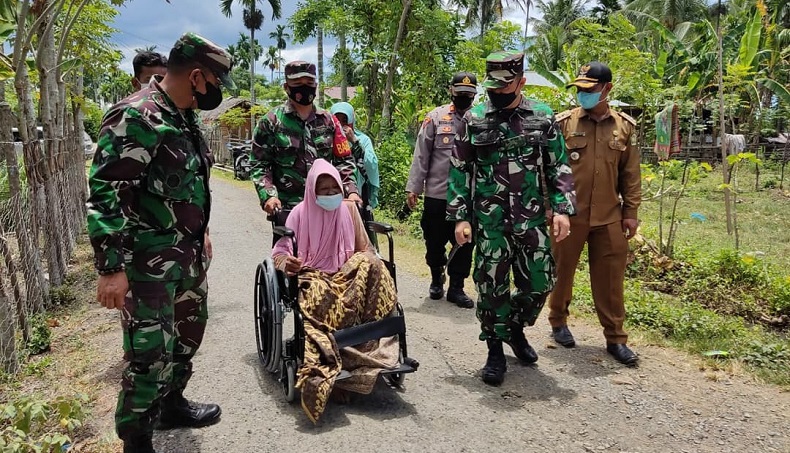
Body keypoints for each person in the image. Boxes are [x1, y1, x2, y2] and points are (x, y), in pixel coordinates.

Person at [86, 32, 234, 453]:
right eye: (215, 84)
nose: (215, 94)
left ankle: (172, 404)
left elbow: (189, 183)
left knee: (187, 337)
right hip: (146, 263)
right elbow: (107, 193)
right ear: (197, 76)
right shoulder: (137, 116)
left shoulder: (183, 115)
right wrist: (111, 268)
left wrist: (201, 230)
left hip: (184, 258)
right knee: (149, 355)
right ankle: (137, 438)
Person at [447, 51, 576, 386]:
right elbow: (459, 171)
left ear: (521, 81)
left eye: (505, 86)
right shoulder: (474, 119)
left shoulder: (542, 117)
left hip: (531, 219)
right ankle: (494, 349)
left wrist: (562, 209)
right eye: (492, 85)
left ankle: (514, 327)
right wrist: (460, 218)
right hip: (490, 222)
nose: (497, 92)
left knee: (540, 283)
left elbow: (558, 166)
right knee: (491, 286)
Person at [272, 159, 398, 424]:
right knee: (318, 291)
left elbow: (365, 249)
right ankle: (337, 358)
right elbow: (280, 253)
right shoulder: (298, 214)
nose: (330, 194)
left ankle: (371, 343)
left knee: (372, 263)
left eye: (334, 189)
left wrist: (364, 264)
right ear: (312, 191)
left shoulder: (348, 211)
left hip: (346, 274)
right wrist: (288, 262)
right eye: (324, 189)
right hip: (314, 274)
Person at [547, 61, 641, 366]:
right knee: (562, 272)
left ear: (607, 90)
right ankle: (558, 321)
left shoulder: (624, 127)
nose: (583, 95)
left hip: (610, 216)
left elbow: (630, 174)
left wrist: (631, 211)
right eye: (580, 90)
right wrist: (552, 207)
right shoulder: (565, 124)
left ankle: (615, 338)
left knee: (611, 279)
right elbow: (549, 169)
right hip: (570, 215)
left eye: (590, 89)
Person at [249, 60, 361, 221]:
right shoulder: (271, 122)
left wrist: (352, 191)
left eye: (309, 82)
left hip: (327, 208)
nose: (304, 87)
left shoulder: (330, 121)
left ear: (315, 85)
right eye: (298, 83)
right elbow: (259, 164)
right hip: (288, 211)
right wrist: (268, 196)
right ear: (286, 87)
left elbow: (343, 160)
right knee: (288, 247)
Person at [405, 72, 478, 309]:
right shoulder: (435, 118)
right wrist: (414, 187)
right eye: (460, 94)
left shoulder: (480, 120)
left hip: (468, 196)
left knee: (465, 243)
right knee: (433, 241)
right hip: (437, 195)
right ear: (451, 91)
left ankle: (457, 287)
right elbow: (421, 155)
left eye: (468, 95)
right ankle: (437, 277)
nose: (464, 99)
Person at [329, 102, 380, 218]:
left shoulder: (363, 139)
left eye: (345, 120)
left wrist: (354, 141)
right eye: (337, 120)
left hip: (358, 189)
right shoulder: (326, 138)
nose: (341, 124)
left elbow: (371, 164)